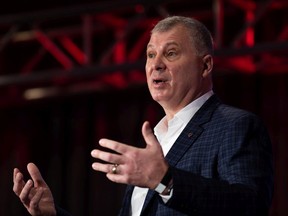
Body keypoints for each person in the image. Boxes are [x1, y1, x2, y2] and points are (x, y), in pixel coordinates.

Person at [13, 16, 273, 216]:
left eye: (170, 53)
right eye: (150, 54)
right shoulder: (154, 143)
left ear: (205, 65)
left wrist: (165, 181)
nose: (156, 64)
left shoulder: (234, 126)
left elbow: (249, 206)